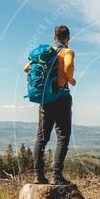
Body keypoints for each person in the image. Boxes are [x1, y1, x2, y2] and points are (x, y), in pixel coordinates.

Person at [25, 24, 76, 185]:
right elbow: (68, 65)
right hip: (61, 97)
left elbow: (26, 68)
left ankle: (38, 176)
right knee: (63, 136)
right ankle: (56, 176)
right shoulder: (67, 51)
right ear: (67, 38)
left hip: (45, 99)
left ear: (55, 37)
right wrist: (70, 79)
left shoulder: (46, 54)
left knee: (41, 137)